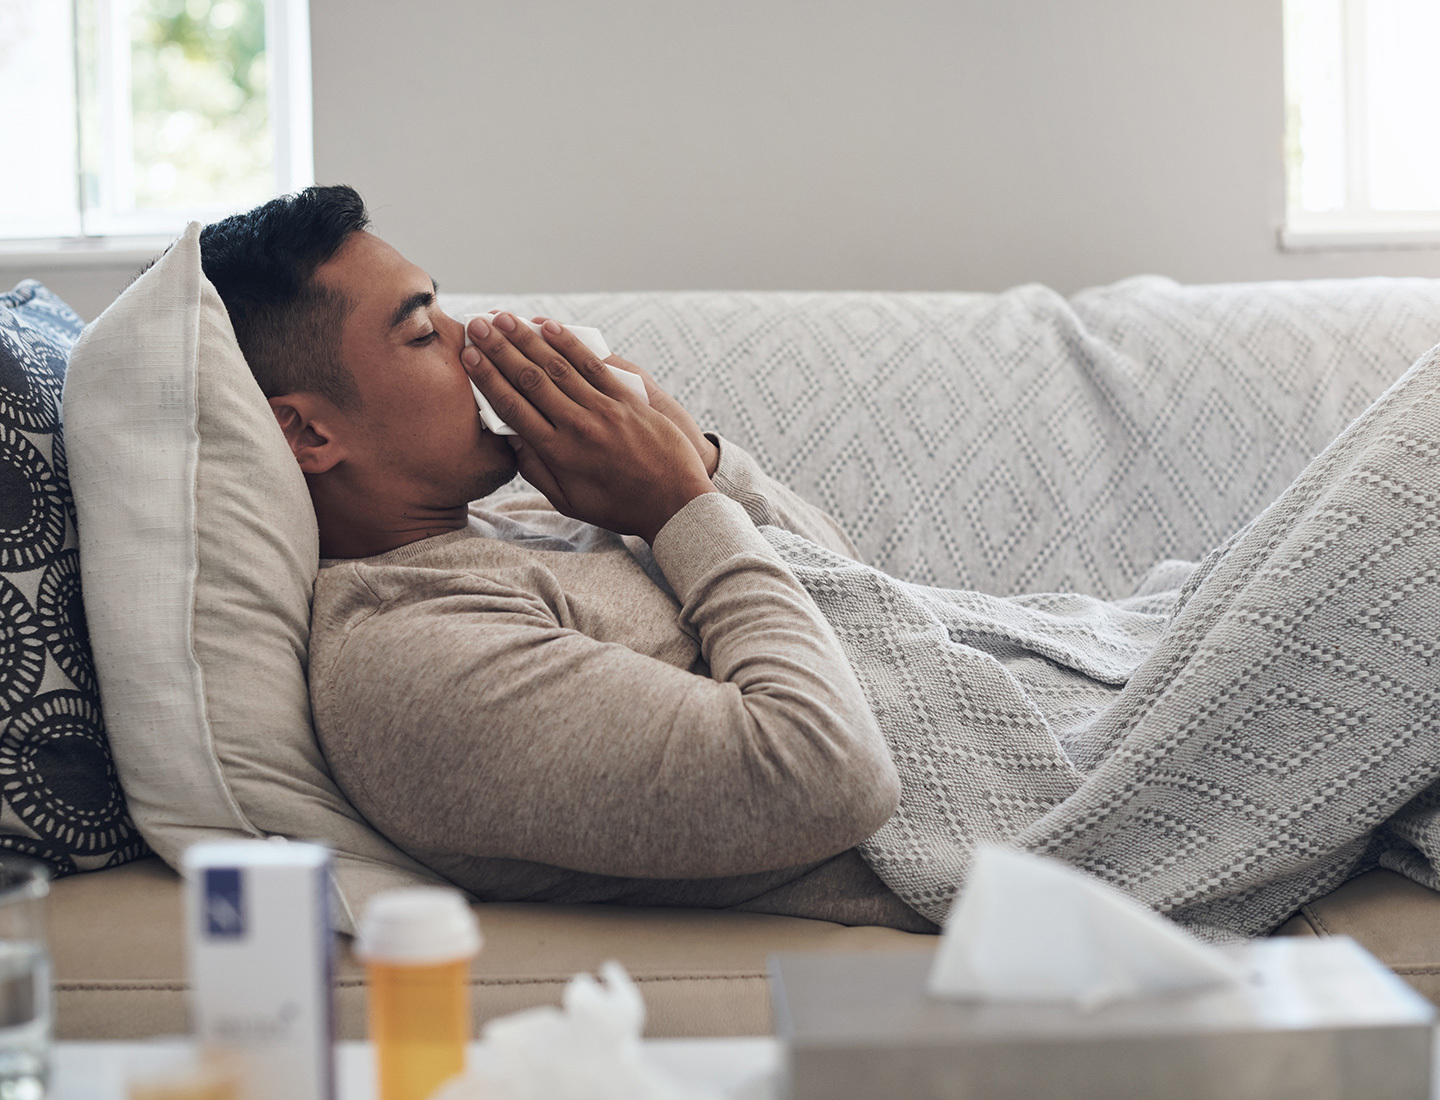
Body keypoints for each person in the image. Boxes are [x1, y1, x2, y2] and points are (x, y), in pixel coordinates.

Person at [200, 185, 1440, 940]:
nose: (472, 340)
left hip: (1104, 666)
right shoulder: (408, 667)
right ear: (310, 428)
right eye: (424, 329)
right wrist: (676, 506)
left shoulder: (513, 528)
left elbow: (837, 590)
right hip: (1076, 802)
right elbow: (823, 771)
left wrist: (690, 459)